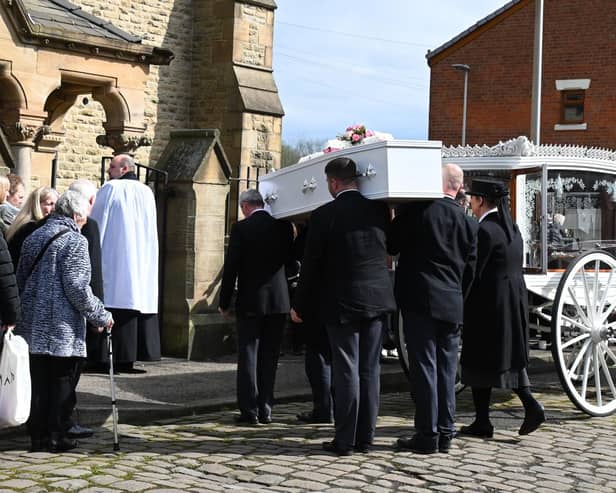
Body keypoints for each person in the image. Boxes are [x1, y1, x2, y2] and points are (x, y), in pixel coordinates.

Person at [291, 157, 396, 456]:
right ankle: (366, 438)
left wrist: (299, 305)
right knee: (370, 369)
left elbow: (311, 265)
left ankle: (345, 440)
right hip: (377, 300)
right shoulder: (378, 209)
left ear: (334, 182)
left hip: (342, 303)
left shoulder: (324, 214)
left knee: (346, 369)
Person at [389, 163, 478, 455]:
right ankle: (446, 431)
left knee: (425, 367)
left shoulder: (418, 212)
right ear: (458, 186)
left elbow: (391, 243)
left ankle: (427, 433)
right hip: (452, 302)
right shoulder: (467, 221)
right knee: (447, 369)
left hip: (420, 300)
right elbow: (471, 269)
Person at [15, 190, 113, 453]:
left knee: (38, 381)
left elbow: (20, 278)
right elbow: (78, 287)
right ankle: (57, 435)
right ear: (76, 215)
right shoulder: (75, 241)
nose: (84, 223)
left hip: (33, 324)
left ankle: (38, 436)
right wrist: (101, 315)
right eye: (84, 218)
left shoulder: (35, 236)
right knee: (60, 382)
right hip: (61, 328)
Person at [460, 178, 545, 438]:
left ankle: (526, 407)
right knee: (503, 359)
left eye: (472, 199)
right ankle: (484, 420)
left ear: (481, 201)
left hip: (488, 303)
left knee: (479, 359)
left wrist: (459, 297)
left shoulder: (484, 230)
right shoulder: (510, 228)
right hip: (510, 300)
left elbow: (473, 269)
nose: (470, 204)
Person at [219, 189, 293, 425]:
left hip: (251, 301)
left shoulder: (241, 229)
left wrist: (224, 302)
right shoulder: (282, 227)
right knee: (270, 357)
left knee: (249, 355)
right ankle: (266, 408)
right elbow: (291, 262)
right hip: (278, 301)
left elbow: (231, 268)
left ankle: (249, 411)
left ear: (244, 206)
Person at [90, 154, 160, 373]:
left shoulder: (111, 188)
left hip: (115, 255)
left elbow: (96, 222)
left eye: (112, 166)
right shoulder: (147, 192)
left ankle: (104, 359)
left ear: (123, 169)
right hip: (140, 258)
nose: (109, 170)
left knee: (115, 294)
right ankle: (128, 360)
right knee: (135, 296)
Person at [6, 186, 59, 269]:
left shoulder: (22, 224)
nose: (54, 208)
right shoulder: (31, 228)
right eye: (50, 204)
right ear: (37, 204)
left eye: (56, 204)